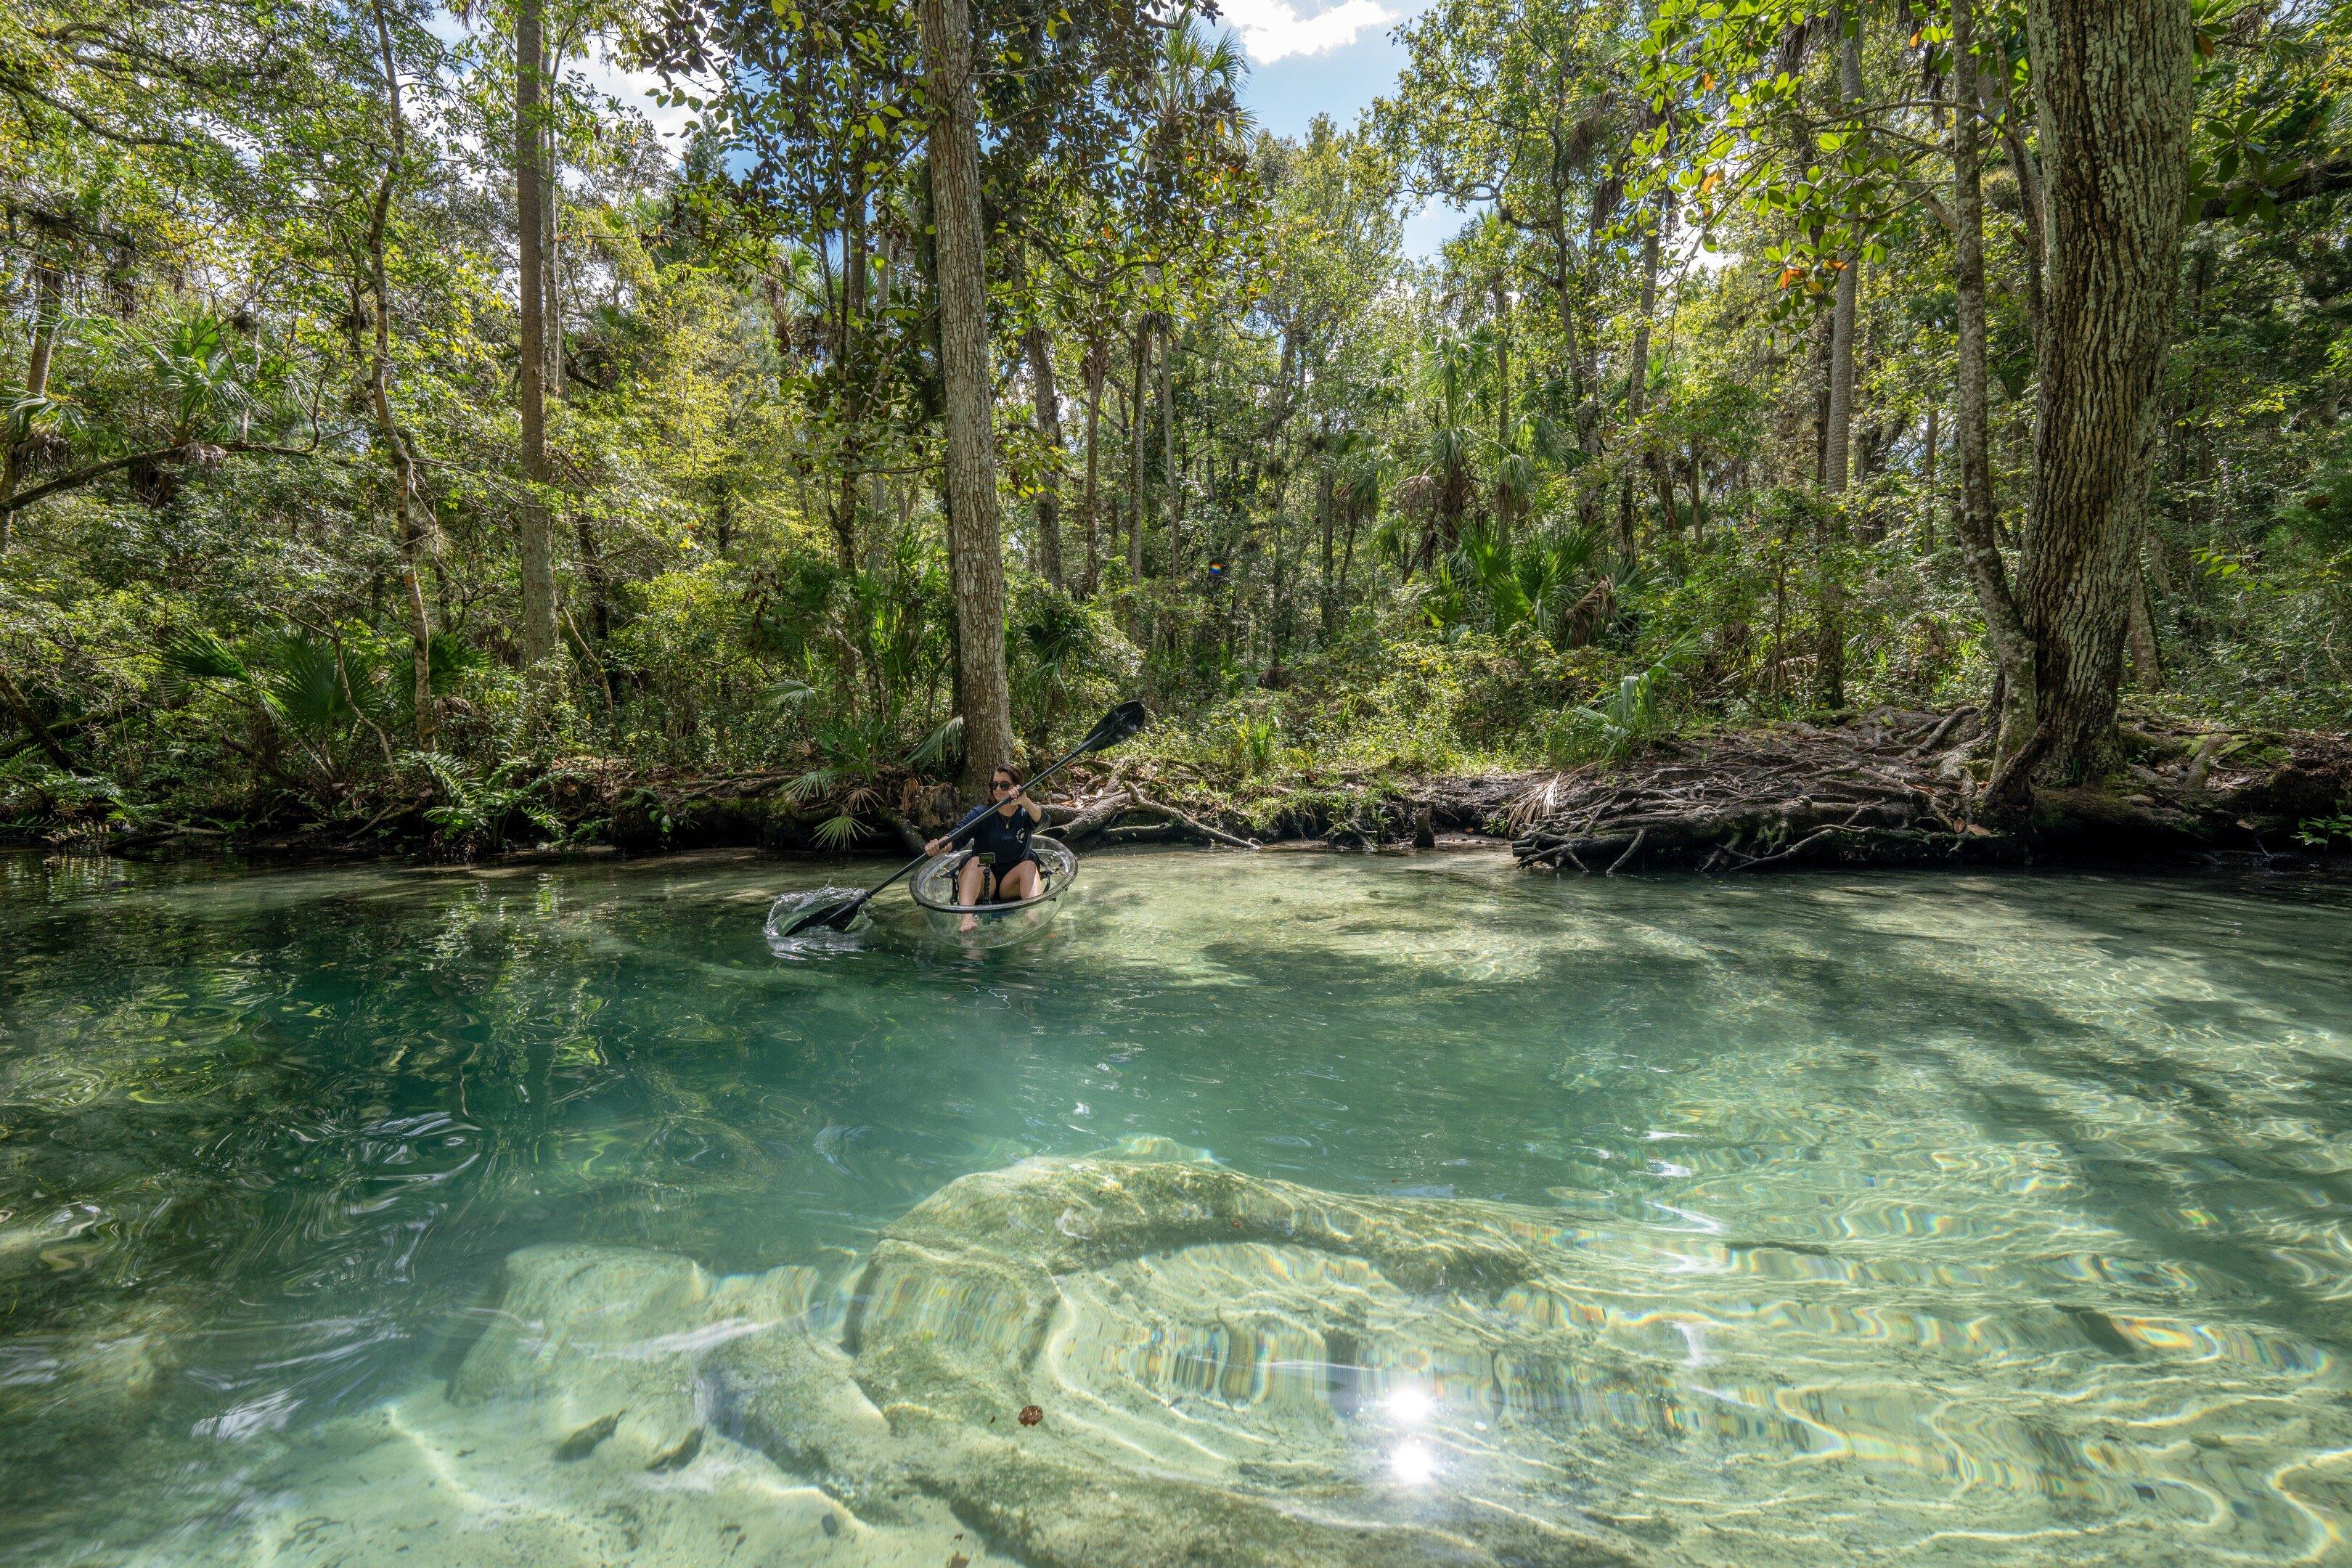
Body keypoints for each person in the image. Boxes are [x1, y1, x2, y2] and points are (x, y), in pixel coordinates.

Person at [924, 764, 1045, 932]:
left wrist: (1025, 801)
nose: (998, 789)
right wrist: (940, 845)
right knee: (975, 862)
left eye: (1004, 785)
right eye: (994, 785)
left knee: (1030, 865)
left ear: (1016, 787)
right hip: (983, 880)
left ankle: (1032, 917)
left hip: (1010, 884)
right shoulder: (981, 813)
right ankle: (967, 920)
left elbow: (1043, 822)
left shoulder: (1026, 814)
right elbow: (957, 835)